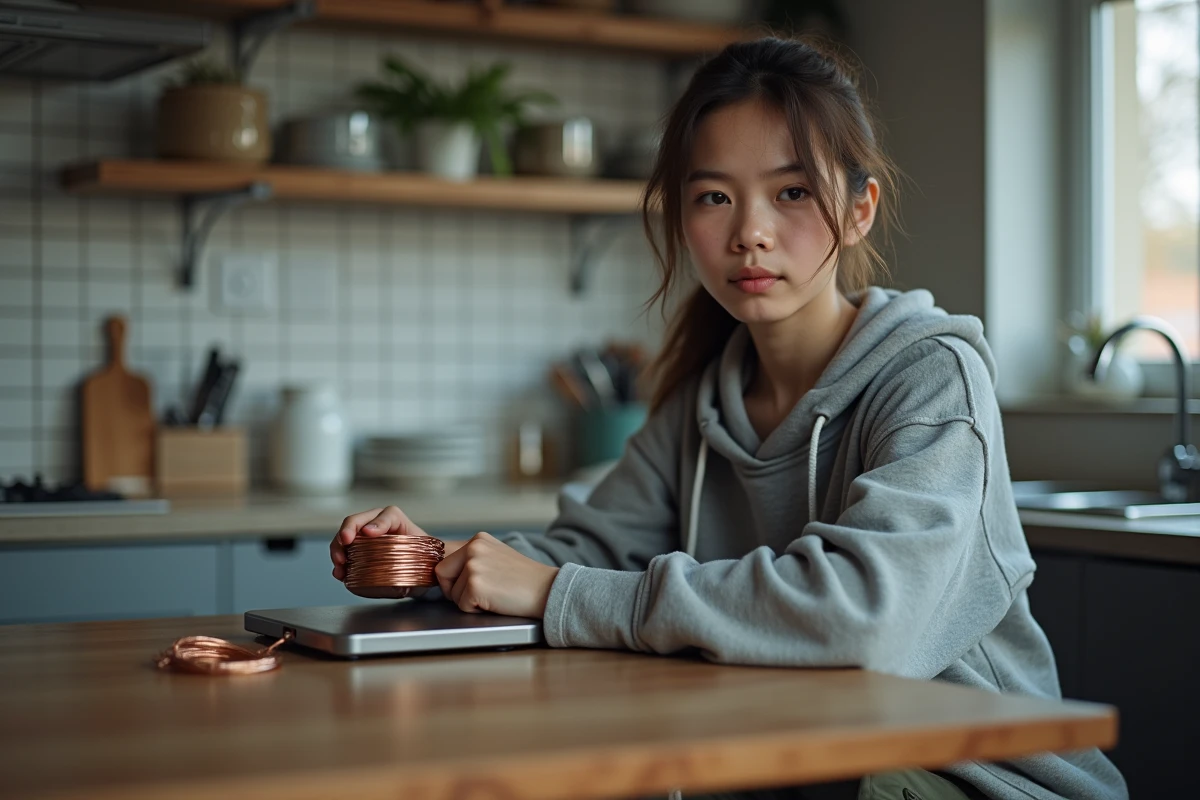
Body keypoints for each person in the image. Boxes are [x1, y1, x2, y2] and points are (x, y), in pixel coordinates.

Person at [329, 37, 1127, 800]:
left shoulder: (930, 378)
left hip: (957, 774)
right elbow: (582, 553)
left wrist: (558, 593)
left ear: (860, 210)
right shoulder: (702, 399)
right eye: (714, 197)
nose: (750, 232)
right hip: (786, 762)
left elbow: (862, 621)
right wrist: (433, 559)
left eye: (791, 193)